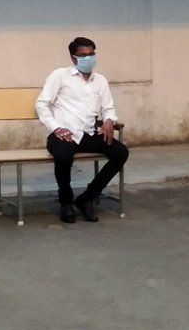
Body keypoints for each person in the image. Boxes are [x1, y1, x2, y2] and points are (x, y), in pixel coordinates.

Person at [36, 36, 128, 224]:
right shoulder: (60, 76)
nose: (89, 58)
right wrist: (56, 128)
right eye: (83, 55)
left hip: (89, 134)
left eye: (91, 54)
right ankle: (66, 203)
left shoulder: (100, 80)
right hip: (63, 135)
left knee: (121, 152)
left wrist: (109, 120)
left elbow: (108, 107)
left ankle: (87, 197)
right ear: (73, 57)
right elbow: (42, 104)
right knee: (63, 157)